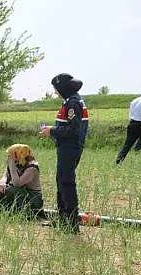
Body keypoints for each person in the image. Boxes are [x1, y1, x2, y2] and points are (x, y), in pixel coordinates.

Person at [39, 73, 89, 234]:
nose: (55, 92)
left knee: (67, 184)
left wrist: (51, 130)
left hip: (70, 148)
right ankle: (62, 219)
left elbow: (72, 130)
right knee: (61, 182)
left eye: (56, 89)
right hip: (65, 147)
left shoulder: (73, 103)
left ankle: (71, 224)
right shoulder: (69, 101)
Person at [0, 144, 44, 218]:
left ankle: (22, 214)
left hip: (33, 198)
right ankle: (2, 211)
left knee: (13, 189)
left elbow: (17, 184)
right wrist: (2, 182)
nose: (10, 157)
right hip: (19, 193)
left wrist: (12, 164)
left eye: (12, 154)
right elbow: (5, 176)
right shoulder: (17, 163)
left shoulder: (32, 167)